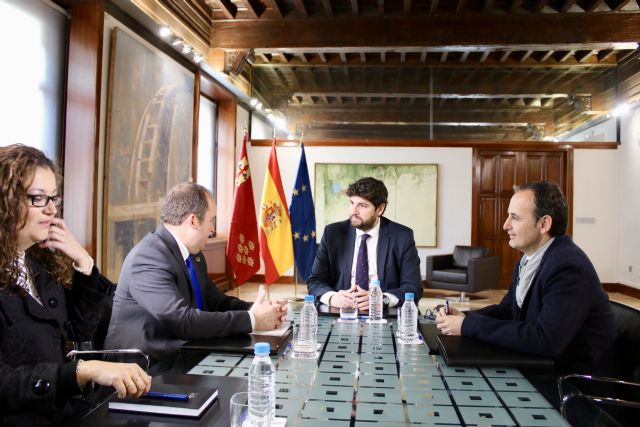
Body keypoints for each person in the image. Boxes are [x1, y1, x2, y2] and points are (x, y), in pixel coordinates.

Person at [0, 144, 151, 427]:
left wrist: (84, 261)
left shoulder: (38, 264)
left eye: (53, 198)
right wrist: (81, 372)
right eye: (37, 198)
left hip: (62, 412)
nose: (50, 209)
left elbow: (81, 330)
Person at [436, 181, 616, 374]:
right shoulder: (529, 260)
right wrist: (465, 318)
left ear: (544, 223)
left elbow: (545, 340)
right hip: (538, 365)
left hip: (571, 383)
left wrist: (468, 326)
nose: (506, 225)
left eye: (514, 218)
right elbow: (507, 311)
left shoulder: (568, 267)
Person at [105, 182, 287, 361]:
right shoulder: (148, 257)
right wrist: (252, 319)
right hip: (144, 367)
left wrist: (260, 309)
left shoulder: (193, 256)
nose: (212, 229)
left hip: (182, 352)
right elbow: (181, 321)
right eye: (211, 221)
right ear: (193, 220)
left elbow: (218, 302)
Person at [307, 177, 422, 310]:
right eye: (352, 203)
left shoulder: (402, 236)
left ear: (379, 209)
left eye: (362, 205)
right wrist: (333, 298)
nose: (353, 211)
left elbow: (413, 287)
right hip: (341, 311)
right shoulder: (333, 233)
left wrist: (381, 299)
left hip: (382, 313)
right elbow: (315, 281)